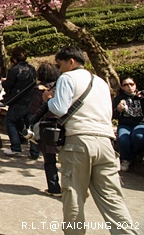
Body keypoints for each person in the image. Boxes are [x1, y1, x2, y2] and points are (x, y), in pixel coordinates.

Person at [43, 46, 136, 234]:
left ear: (71, 62)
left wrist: (48, 99)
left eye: (60, 65)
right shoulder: (101, 82)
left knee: (74, 195)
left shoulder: (67, 78)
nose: (59, 69)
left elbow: (59, 109)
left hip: (79, 141)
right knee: (112, 198)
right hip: (106, 142)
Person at [28, 62, 62, 197]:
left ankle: (54, 188)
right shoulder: (61, 87)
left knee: (49, 159)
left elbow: (33, 109)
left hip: (47, 127)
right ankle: (75, 186)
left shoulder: (39, 90)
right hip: (63, 125)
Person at [1, 47, 38, 157]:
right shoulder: (32, 69)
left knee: (10, 121)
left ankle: (15, 147)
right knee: (30, 125)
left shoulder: (14, 70)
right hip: (31, 101)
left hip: (18, 102)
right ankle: (34, 151)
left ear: (14, 57)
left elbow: (8, 85)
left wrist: (4, 82)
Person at [112, 77, 144, 172]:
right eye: (125, 85)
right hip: (125, 124)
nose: (129, 87)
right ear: (122, 87)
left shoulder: (141, 96)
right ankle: (126, 159)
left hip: (140, 123)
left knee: (138, 137)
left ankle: (133, 157)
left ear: (135, 85)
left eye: (131, 84)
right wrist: (118, 110)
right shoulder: (118, 98)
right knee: (123, 139)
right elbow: (113, 115)